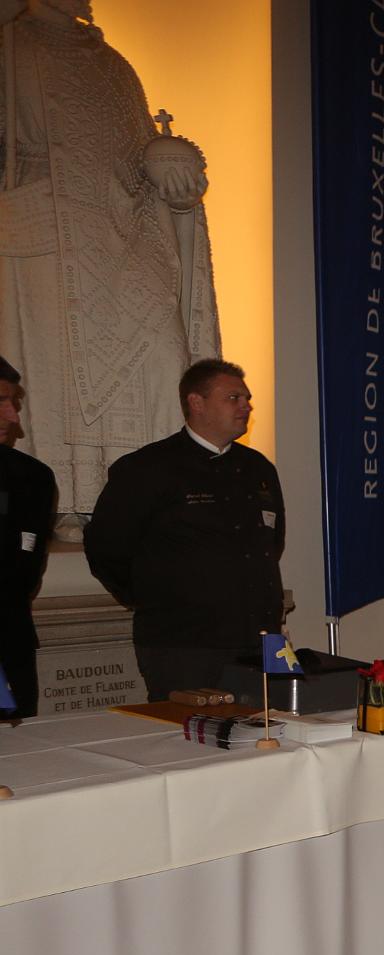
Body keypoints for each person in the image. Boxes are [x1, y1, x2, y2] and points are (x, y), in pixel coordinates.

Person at [0, 0, 222, 520]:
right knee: (53, 375)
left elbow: (137, 151)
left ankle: (151, 500)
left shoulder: (113, 63)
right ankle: (67, 504)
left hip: (124, 231)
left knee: (166, 353)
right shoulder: (13, 44)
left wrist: (170, 171)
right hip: (43, 233)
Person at [84, 360, 284, 701]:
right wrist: (155, 596)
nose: (246, 406)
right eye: (233, 397)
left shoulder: (258, 468)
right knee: (188, 743)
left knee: (264, 741)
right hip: (182, 644)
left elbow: (271, 543)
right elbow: (107, 548)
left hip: (257, 640)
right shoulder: (148, 468)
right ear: (196, 402)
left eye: (247, 398)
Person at [0, 357, 56, 719]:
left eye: (13, 402)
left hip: (9, 647)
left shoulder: (31, 477)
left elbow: (25, 571)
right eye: (1, 403)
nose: (13, 417)